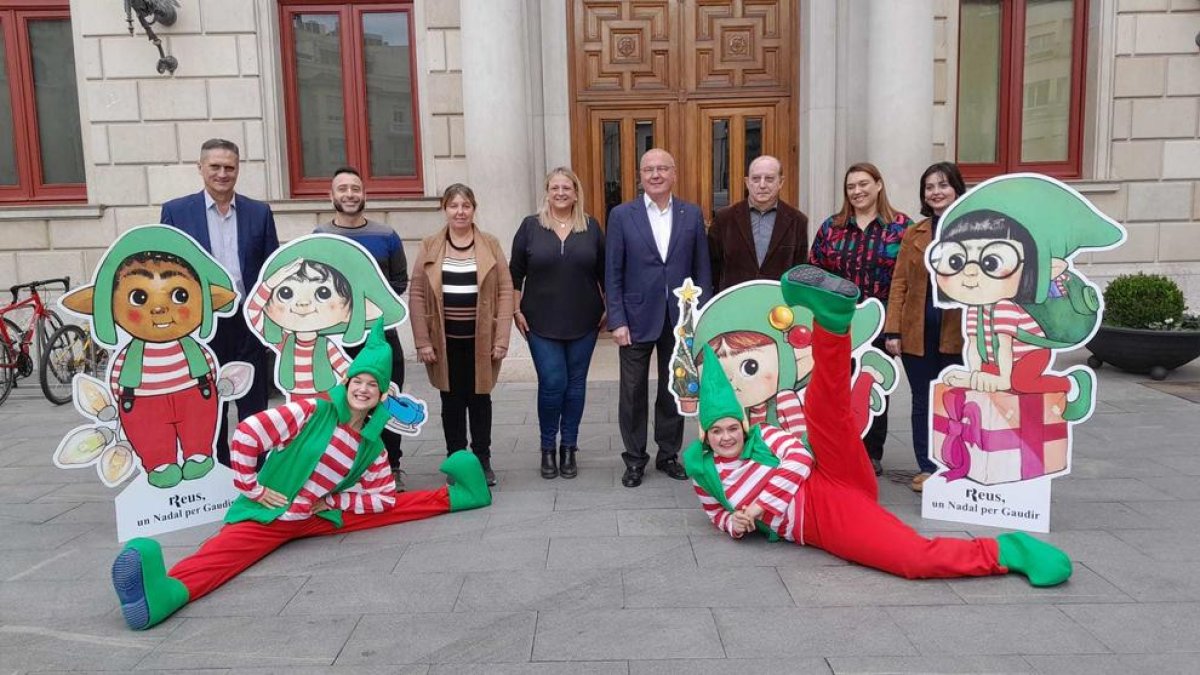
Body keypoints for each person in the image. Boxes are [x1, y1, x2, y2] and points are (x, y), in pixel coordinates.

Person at [683, 265, 1072, 586]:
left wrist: (759, 506)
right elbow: (718, 515)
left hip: (826, 475)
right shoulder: (704, 471)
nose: (727, 436)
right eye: (717, 431)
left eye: (732, 427)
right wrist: (735, 523)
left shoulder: (764, 434)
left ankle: (833, 320)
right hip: (823, 516)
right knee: (912, 559)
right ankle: (1011, 551)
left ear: (742, 425)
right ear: (705, 435)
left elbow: (800, 459)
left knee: (825, 412)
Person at [110, 323, 493, 631]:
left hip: (318, 515)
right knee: (222, 555)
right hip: (272, 516)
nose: (362, 389)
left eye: (371, 385)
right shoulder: (311, 411)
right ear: (347, 384)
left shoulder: (372, 445)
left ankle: (465, 496)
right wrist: (253, 488)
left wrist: (335, 502)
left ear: (381, 395)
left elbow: (382, 498)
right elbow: (245, 436)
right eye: (358, 382)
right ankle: (164, 594)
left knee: (394, 506)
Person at [161, 138, 279, 467]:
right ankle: (220, 471)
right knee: (208, 401)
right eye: (215, 166)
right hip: (201, 323)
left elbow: (271, 268)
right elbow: (166, 271)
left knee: (254, 400)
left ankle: (255, 469)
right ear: (201, 169)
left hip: (248, 321)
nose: (222, 173)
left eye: (229, 167)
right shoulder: (176, 211)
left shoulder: (259, 212)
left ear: (238, 170)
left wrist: (269, 321)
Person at [605, 148, 712, 488]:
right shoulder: (622, 215)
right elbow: (613, 272)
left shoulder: (691, 214)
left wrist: (700, 317)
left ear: (674, 174)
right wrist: (617, 319)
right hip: (635, 318)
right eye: (648, 169)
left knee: (673, 388)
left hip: (680, 319)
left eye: (662, 168)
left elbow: (702, 269)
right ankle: (635, 459)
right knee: (633, 391)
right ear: (640, 175)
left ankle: (668, 454)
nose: (655, 175)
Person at [809, 162, 913, 475]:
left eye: (864, 184)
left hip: (883, 320)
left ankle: (870, 452)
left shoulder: (901, 228)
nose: (857, 191)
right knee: (836, 386)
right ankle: (836, 448)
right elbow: (816, 270)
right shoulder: (832, 227)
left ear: (879, 185)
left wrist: (897, 326)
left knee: (872, 384)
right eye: (851, 186)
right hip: (840, 321)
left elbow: (908, 280)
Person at [409, 184, 513, 487]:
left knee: (480, 399)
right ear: (445, 209)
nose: (460, 211)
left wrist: (502, 338)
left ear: (473, 209)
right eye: (454, 206)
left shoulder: (490, 244)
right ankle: (456, 460)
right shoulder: (430, 245)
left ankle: (482, 459)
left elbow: (506, 290)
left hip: (481, 339)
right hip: (444, 341)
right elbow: (416, 292)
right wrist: (422, 341)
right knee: (451, 401)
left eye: (466, 205)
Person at [315, 166, 409, 485]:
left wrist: (368, 308)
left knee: (386, 397)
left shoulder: (387, 235)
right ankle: (346, 470)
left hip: (382, 335)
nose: (350, 194)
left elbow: (399, 281)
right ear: (331, 196)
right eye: (343, 189)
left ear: (364, 194)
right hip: (338, 339)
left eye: (355, 188)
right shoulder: (319, 238)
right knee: (343, 401)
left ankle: (391, 466)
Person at [510, 168, 605, 480]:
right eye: (555, 187)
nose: (561, 192)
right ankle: (548, 447)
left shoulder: (591, 227)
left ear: (576, 193)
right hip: (539, 320)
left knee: (576, 385)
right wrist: (515, 309)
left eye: (567, 187)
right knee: (553, 383)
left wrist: (609, 308)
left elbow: (605, 272)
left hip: (585, 319)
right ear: (547, 192)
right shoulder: (530, 226)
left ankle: (570, 448)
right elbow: (515, 273)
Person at [884, 162, 967, 492]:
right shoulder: (914, 234)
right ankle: (928, 465)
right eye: (930, 187)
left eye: (943, 185)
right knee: (923, 399)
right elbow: (899, 284)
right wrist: (893, 330)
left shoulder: (977, 230)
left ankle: (959, 462)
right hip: (918, 329)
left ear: (957, 189)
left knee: (956, 400)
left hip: (959, 332)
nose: (936, 192)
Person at [708, 155, 809, 293]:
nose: (762, 185)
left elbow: (799, 272)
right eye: (756, 179)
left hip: (779, 305)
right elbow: (713, 268)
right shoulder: (724, 219)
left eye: (769, 179)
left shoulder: (798, 221)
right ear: (747, 182)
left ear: (781, 182)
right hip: (734, 303)